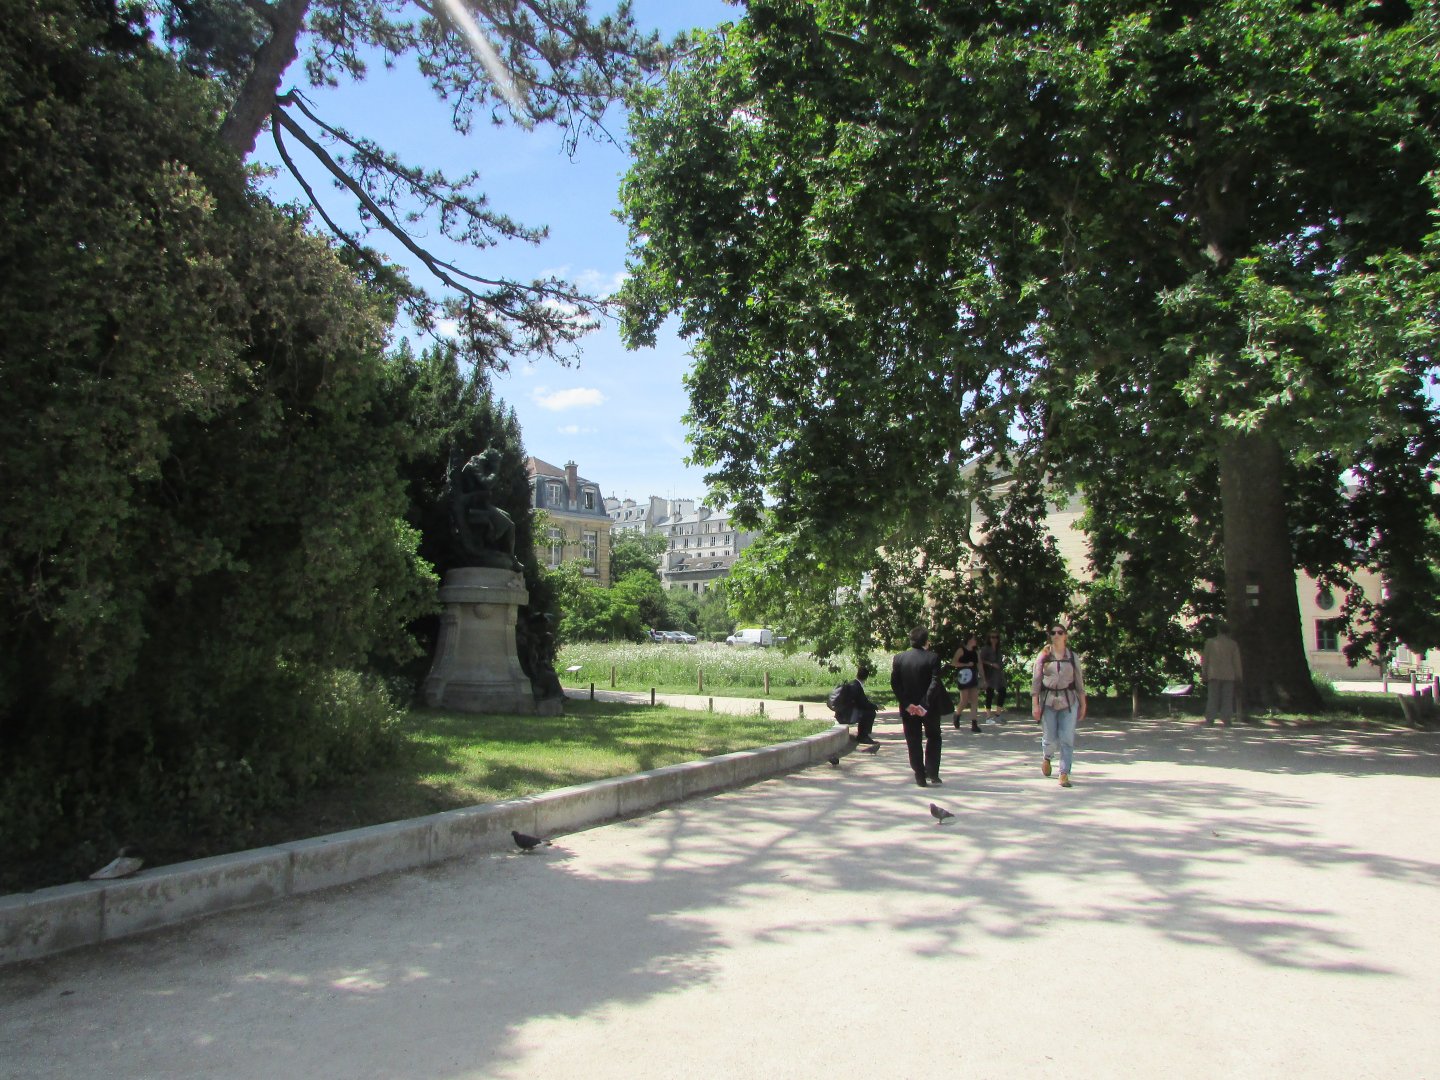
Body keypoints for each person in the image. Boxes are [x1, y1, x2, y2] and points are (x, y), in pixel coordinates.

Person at [1031, 625, 1087, 788]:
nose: (1056, 635)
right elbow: (1036, 681)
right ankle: (1047, 757)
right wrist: (1035, 704)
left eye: (1060, 632)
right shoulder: (1044, 655)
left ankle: (1064, 773)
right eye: (1053, 633)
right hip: (1048, 700)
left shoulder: (1072, 657)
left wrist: (1083, 703)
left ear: (1065, 636)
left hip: (1068, 700)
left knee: (1067, 737)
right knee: (1049, 737)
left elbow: (1079, 681)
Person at [891, 626, 946, 787]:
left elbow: (895, 684)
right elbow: (934, 683)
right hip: (930, 707)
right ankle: (932, 771)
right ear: (926, 641)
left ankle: (919, 775)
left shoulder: (899, 658)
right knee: (934, 737)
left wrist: (907, 704)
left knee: (913, 740)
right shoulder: (933, 658)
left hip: (908, 709)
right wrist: (924, 705)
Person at [1202, 624, 1244, 726]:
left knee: (1212, 698)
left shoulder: (1210, 642)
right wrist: (1239, 675)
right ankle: (1227, 719)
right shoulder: (1233, 644)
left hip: (1214, 673)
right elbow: (1236, 661)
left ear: (1218, 630)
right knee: (1227, 698)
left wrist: (1204, 672)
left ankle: (1210, 719)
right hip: (1228, 674)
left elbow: (1205, 659)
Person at [841, 662, 881, 745]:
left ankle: (862, 735)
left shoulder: (853, 683)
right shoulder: (857, 686)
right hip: (848, 714)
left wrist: (873, 706)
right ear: (866, 677)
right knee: (870, 713)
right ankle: (863, 736)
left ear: (857, 674)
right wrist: (876, 707)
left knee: (868, 711)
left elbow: (862, 702)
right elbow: (863, 703)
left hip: (844, 711)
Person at [952, 633, 982, 733]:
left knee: (974, 700)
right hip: (963, 677)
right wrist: (966, 664)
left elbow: (979, 665)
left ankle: (974, 723)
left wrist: (983, 677)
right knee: (964, 700)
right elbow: (954, 663)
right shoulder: (961, 650)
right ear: (969, 640)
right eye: (974, 639)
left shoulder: (976, 652)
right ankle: (957, 715)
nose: (975, 640)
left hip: (973, 676)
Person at [979, 631, 1007, 723]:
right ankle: (988, 716)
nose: (994, 639)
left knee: (1002, 691)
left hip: (998, 674)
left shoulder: (998, 649)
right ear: (989, 638)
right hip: (989, 674)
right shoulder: (985, 649)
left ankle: (998, 714)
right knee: (989, 694)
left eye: (996, 637)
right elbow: (980, 660)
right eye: (992, 637)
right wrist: (991, 664)